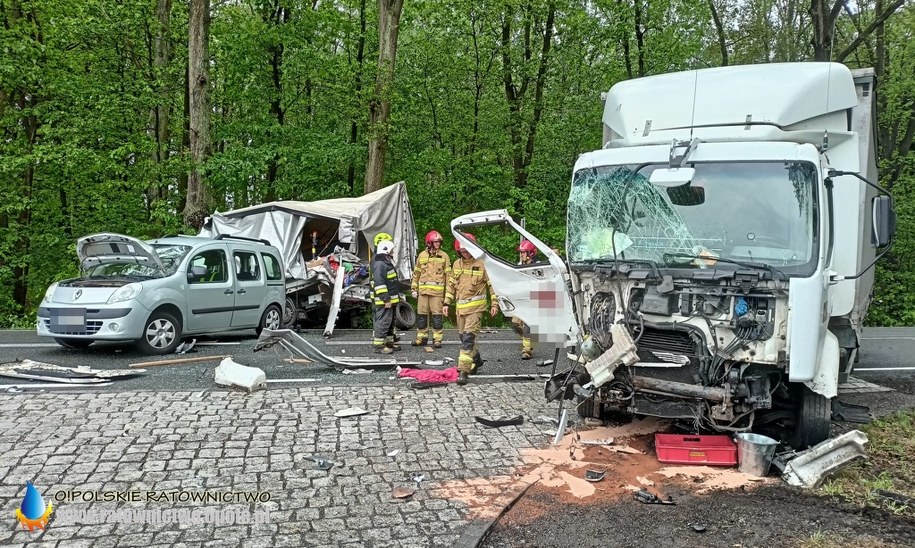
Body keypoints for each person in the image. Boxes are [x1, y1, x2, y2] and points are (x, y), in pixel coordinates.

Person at [443, 233, 499, 385]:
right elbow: (451, 285)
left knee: (467, 340)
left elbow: (492, 286)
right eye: (462, 251)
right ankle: (477, 359)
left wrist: (494, 304)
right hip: (460, 309)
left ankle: (463, 371)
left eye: (467, 250)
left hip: (476, 309)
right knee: (464, 338)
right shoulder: (456, 264)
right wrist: (446, 303)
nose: (465, 253)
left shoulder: (482, 264)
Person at [411, 230, 451, 348]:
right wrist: (414, 288)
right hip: (423, 293)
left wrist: (448, 294)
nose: (438, 243)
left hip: (437, 294)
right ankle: (421, 338)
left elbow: (449, 277)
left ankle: (437, 339)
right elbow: (416, 273)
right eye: (435, 242)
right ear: (429, 243)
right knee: (421, 316)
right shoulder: (422, 256)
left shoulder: (444, 256)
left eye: (439, 241)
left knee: (437, 316)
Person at [370, 239, 401, 354]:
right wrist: (386, 299)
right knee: (383, 322)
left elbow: (391, 282)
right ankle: (378, 346)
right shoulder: (380, 264)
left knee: (389, 322)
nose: (393, 252)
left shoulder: (384, 262)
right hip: (384, 301)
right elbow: (379, 283)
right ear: (386, 250)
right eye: (392, 250)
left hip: (389, 300)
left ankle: (388, 342)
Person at [512, 240, 537, 360]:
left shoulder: (537, 267)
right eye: (521, 252)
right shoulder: (518, 266)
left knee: (528, 326)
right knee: (515, 323)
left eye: (523, 252)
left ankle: (527, 350)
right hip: (520, 299)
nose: (521, 255)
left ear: (530, 253)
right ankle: (529, 340)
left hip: (532, 300)